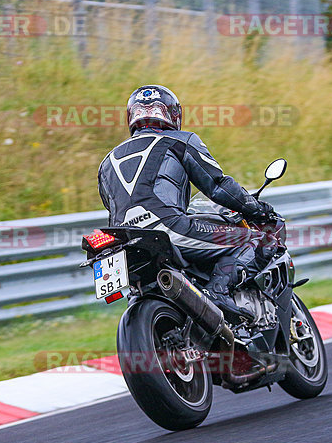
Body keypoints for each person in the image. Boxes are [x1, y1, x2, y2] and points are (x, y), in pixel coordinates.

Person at [97, 85, 278, 323]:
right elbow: (218, 186)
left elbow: (112, 207)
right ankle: (219, 292)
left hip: (121, 240)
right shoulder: (180, 140)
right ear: (173, 115)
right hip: (167, 228)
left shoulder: (106, 163)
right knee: (257, 241)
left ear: (131, 116)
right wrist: (257, 208)